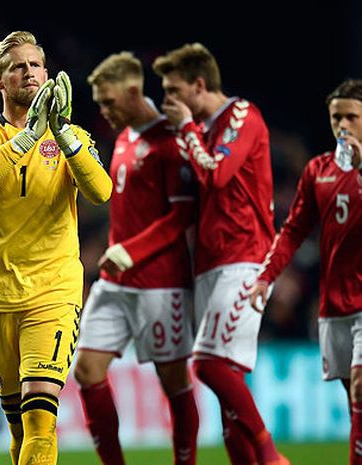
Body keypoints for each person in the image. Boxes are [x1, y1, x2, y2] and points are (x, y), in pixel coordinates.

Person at [0, 31, 112, 465]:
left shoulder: (71, 136)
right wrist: (26, 139)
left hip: (52, 291)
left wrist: (58, 134)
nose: (29, 72)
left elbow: (101, 191)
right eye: (17, 66)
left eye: (36, 65)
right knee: (18, 425)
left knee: (41, 415)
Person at [153, 43, 288, 465]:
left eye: (173, 90)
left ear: (198, 84)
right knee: (230, 401)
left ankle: (269, 452)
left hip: (245, 257)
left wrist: (188, 129)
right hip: (210, 264)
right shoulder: (205, 130)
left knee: (209, 365)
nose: (168, 101)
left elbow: (219, 173)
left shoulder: (240, 115)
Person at [74, 51, 198, 465]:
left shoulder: (171, 140)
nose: (104, 111)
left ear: (132, 91)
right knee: (87, 371)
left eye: (108, 101)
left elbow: (182, 213)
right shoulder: (124, 138)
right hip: (116, 283)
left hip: (160, 283)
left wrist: (133, 249)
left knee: (174, 383)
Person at [249, 79, 362, 465]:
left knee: (360, 390)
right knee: (353, 403)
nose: (343, 124)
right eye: (336, 117)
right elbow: (294, 230)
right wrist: (267, 275)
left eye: (352, 116)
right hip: (335, 304)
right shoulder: (319, 170)